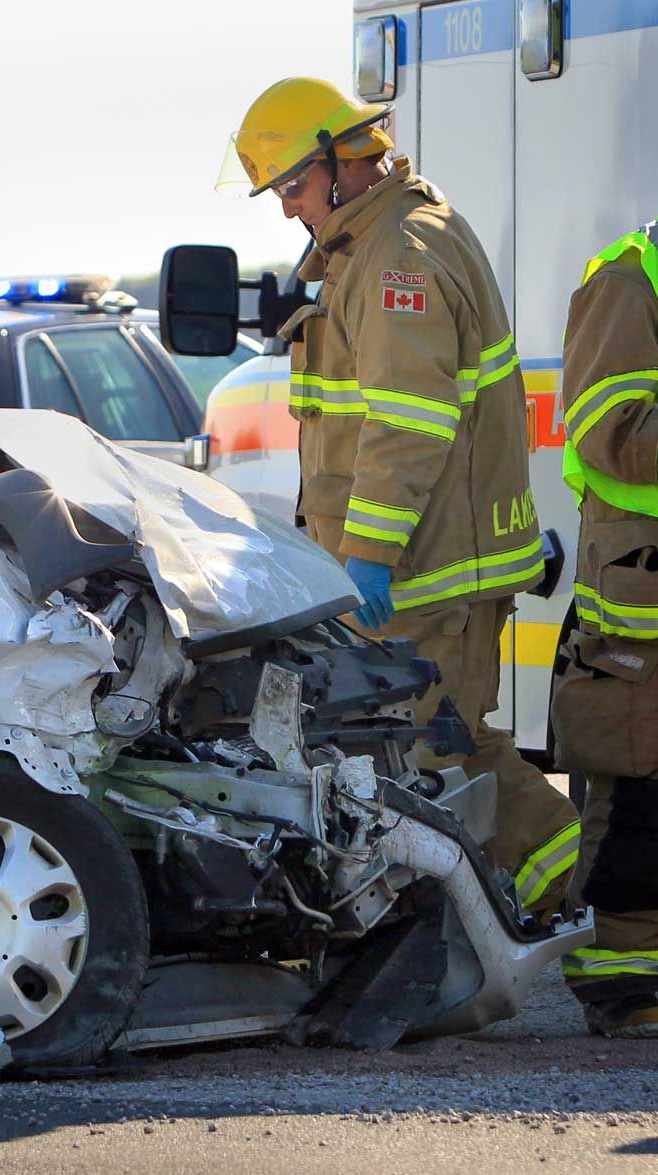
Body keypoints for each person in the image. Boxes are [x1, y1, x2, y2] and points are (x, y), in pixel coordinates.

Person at [225, 77, 578, 916]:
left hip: (430, 574)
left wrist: (370, 557)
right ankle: (535, 914)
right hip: (431, 568)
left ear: (341, 163)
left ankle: (600, 900)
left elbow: (408, 424)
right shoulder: (386, 240)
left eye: (293, 187)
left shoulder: (398, 257)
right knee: (429, 754)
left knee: (446, 756)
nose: (286, 211)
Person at [551, 220, 658, 1036]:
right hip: (640, 596)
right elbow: (613, 436)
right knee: (636, 788)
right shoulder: (626, 284)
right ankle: (625, 986)